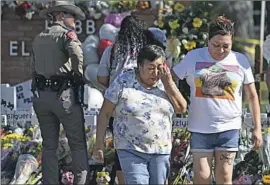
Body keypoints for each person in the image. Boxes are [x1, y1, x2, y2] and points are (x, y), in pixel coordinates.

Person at [172, 16, 263, 184]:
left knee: (225, 176)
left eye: (226, 46)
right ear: (208, 40)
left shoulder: (240, 60)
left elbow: (252, 95)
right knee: (202, 176)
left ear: (232, 41)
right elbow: (171, 78)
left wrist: (257, 128)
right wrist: (177, 100)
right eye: (216, 45)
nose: (221, 50)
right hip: (200, 127)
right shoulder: (193, 57)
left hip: (229, 127)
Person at [93, 45, 187, 184]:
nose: (155, 73)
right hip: (130, 148)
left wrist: (169, 84)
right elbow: (105, 113)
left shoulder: (165, 81)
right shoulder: (124, 81)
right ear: (139, 66)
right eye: (150, 68)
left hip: (160, 149)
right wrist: (99, 144)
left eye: (159, 67)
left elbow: (181, 108)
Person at [97, 16, 163, 185]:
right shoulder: (149, 51)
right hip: (149, 107)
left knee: (123, 149)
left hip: (118, 106)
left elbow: (101, 78)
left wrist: (115, 83)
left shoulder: (112, 50)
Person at [31, 1, 89, 184]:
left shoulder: (39, 37)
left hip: (41, 96)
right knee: (77, 144)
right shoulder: (67, 35)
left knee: (49, 146)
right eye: (71, 15)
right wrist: (77, 74)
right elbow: (77, 55)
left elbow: (32, 66)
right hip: (63, 95)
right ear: (61, 16)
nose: (74, 20)